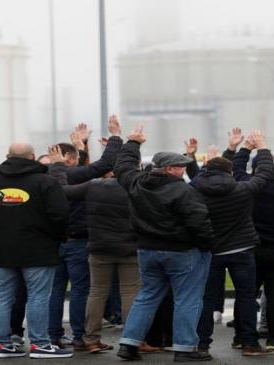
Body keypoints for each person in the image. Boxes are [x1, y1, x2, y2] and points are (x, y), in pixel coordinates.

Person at [114, 125, 215, 362]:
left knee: (147, 296)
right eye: (180, 166)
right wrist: (208, 245)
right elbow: (200, 223)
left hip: (147, 250)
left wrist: (133, 142)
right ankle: (184, 348)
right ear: (170, 169)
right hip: (182, 252)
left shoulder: (136, 182)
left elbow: (122, 166)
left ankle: (128, 344)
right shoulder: (183, 191)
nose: (183, 170)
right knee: (187, 299)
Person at [0, 142, 72, 359]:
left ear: (8, 156)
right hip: (39, 248)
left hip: (2, 249)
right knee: (38, 297)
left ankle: (2, 344)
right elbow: (61, 215)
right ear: (33, 156)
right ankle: (39, 344)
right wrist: (54, 238)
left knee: (1, 296)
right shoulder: (45, 182)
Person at [48, 145, 139, 354]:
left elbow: (63, 189)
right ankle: (131, 339)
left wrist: (57, 166)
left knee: (95, 293)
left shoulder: (94, 186)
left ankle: (90, 338)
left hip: (98, 246)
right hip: (128, 247)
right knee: (129, 292)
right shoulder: (138, 186)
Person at [193, 130, 274, 357]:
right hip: (242, 249)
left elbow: (199, 175)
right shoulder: (243, 189)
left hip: (210, 251)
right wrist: (261, 147)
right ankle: (249, 343)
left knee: (206, 300)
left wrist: (235, 150)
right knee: (246, 297)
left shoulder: (196, 189)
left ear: (207, 169)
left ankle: (202, 346)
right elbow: (266, 174)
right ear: (231, 172)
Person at [231, 143, 274, 350]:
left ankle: (241, 337)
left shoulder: (255, 187)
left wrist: (244, 149)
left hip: (252, 246)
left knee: (246, 294)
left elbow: (238, 171)